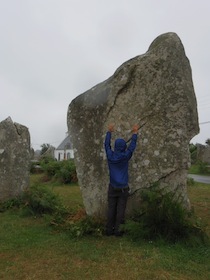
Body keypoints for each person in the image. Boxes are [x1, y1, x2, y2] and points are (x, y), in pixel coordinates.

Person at [104, 123, 139, 236]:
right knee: (120, 210)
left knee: (111, 209)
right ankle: (118, 231)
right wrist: (135, 133)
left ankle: (109, 230)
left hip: (113, 187)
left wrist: (109, 132)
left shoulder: (110, 156)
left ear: (115, 146)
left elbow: (106, 145)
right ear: (124, 147)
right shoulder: (125, 156)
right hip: (123, 188)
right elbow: (132, 147)